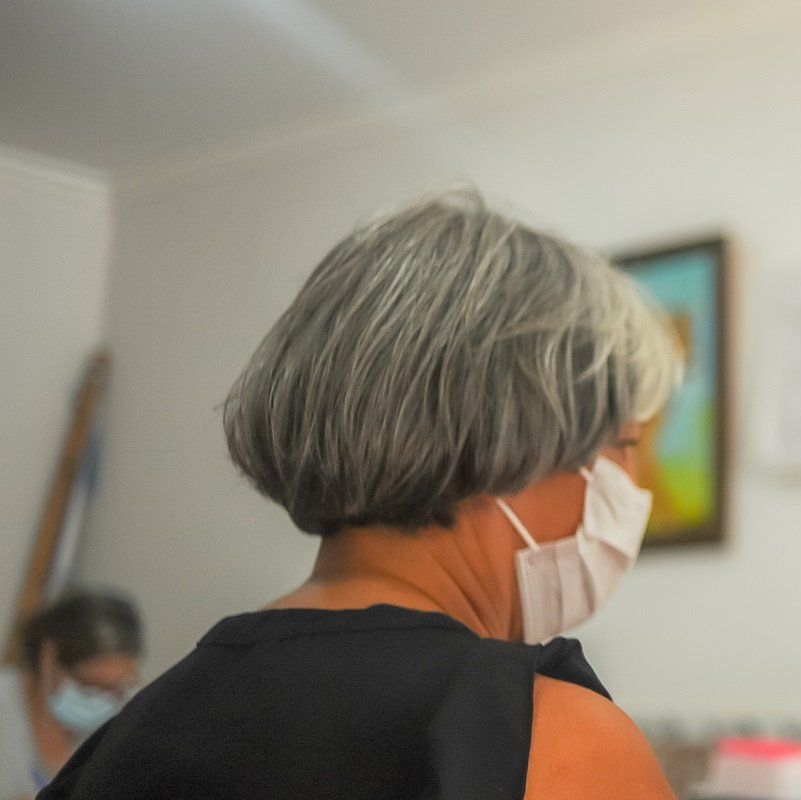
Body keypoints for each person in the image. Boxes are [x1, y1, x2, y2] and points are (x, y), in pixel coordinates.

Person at [41, 191, 684, 799]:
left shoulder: (122, 743)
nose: (633, 485)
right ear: (516, 444)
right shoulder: (554, 744)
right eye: (625, 445)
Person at [0, 590, 142, 799]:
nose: (102, 701)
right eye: (90, 686)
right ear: (49, 657)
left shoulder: (114, 737)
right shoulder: (6, 707)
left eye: (116, 690)